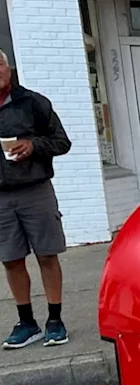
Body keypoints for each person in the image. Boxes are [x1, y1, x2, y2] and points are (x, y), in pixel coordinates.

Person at [0, 48, 72, 348]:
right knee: (11, 260)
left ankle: (55, 320)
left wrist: (33, 145)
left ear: (8, 68)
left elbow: (62, 142)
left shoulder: (32, 103)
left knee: (46, 254)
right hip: (1, 198)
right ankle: (27, 323)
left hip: (35, 190)